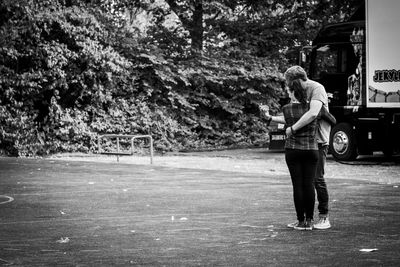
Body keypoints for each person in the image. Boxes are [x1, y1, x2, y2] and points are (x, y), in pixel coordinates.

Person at [261, 79, 319, 230]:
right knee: (309, 185)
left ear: (293, 92)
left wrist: (268, 116)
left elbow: (284, 121)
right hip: (311, 149)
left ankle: (300, 221)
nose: (287, 93)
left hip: (293, 149)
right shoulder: (313, 107)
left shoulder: (287, 109)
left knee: (298, 185)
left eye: (288, 91)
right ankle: (310, 221)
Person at [284, 65, 332, 230]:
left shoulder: (317, 88)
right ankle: (304, 220)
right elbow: (295, 115)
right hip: (305, 142)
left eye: (289, 83)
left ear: (295, 80)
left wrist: (292, 129)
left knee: (316, 179)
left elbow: (312, 114)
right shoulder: (298, 91)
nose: (289, 87)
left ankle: (324, 217)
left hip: (318, 140)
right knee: (306, 183)